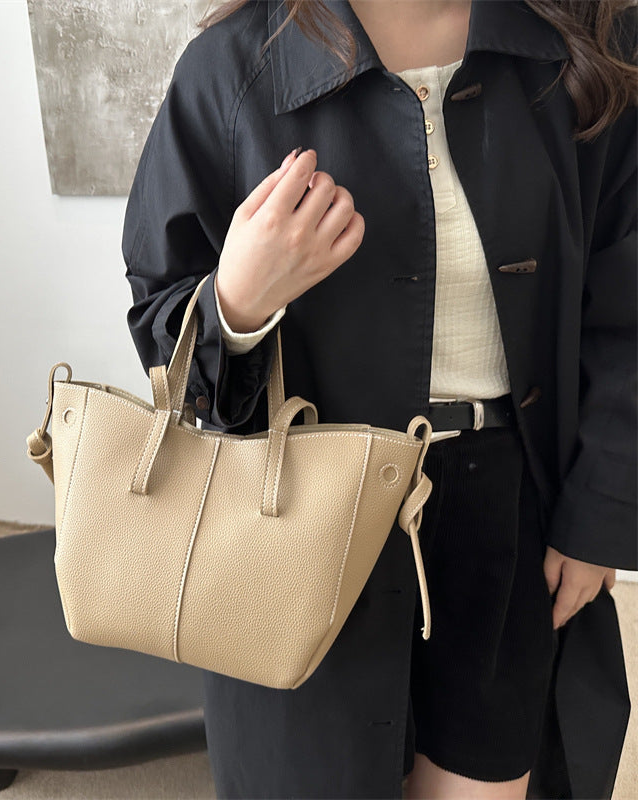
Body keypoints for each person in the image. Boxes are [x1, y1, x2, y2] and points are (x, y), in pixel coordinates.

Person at [121, 1, 637, 797]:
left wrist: (601, 513)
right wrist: (239, 302)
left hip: (508, 515)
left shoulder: (593, 40)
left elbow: (628, 307)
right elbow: (167, 332)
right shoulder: (231, 69)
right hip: (297, 518)